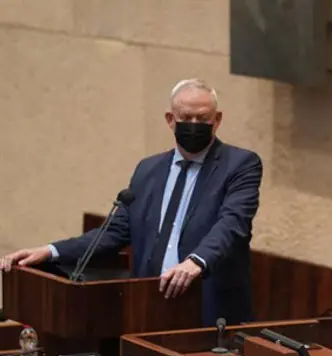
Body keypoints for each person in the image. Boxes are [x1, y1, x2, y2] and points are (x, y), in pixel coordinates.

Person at [0, 79, 262, 326]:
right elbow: (115, 231)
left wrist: (196, 262)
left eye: (202, 119)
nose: (194, 125)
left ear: (217, 120)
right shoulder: (149, 169)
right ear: (171, 120)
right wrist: (49, 251)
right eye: (186, 117)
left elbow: (232, 224)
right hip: (147, 302)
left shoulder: (240, 165)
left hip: (209, 306)